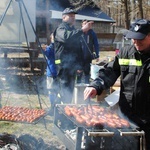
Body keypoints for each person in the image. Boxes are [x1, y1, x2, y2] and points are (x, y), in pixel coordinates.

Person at [84, 19, 150, 149]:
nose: (136, 42)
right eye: (133, 38)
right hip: (125, 117)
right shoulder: (125, 53)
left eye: (140, 39)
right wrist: (96, 86)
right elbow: (109, 72)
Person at [54, 7, 93, 104]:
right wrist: (82, 30)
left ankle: (66, 112)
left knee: (69, 91)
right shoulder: (60, 29)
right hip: (62, 66)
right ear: (63, 17)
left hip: (72, 67)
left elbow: (78, 49)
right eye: (70, 16)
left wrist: (79, 65)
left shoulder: (73, 30)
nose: (73, 18)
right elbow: (66, 38)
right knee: (62, 91)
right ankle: (58, 113)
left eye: (74, 16)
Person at [77, 19, 100, 84]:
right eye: (84, 24)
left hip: (88, 57)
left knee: (87, 72)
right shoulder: (79, 33)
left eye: (87, 24)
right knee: (79, 73)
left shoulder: (92, 33)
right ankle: (78, 87)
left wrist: (97, 55)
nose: (86, 25)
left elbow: (96, 44)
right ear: (82, 25)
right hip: (79, 58)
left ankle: (87, 85)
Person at [42, 33, 58, 115]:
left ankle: (55, 107)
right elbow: (47, 53)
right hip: (52, 72)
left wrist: (52, 43)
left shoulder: (54, 47)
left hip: (55, 73)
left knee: (54, 91)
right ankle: (53, 107)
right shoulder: (50, 48)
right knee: (52, 91)